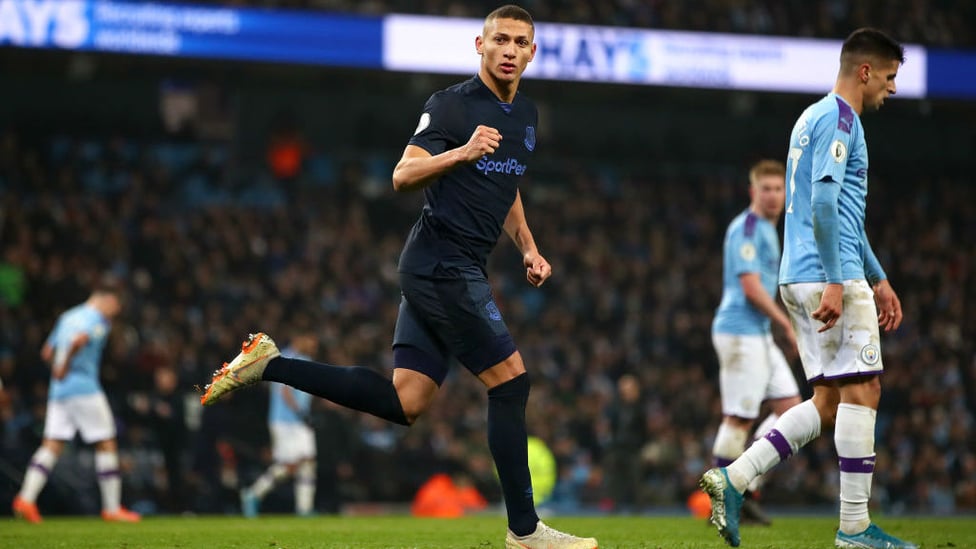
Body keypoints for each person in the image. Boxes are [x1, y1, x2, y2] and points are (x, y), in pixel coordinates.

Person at [200, 6, 597, 548]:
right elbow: (402, 174)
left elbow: (505, 187)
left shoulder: (526, 115)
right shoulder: (451, 106)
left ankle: (270, 365)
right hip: (442, 265)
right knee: (512, 382)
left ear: (533, 52)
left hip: (452, 267)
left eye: (519, 42)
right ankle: (525, 532)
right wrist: (460, 151)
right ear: (479, 45)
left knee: (404, 402)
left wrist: (529, 247)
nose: (508, 50)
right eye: (499, 40)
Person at [699, 28, 916, 549]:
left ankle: (734, 476)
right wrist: (842, 281)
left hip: (799, 274)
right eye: (888, 78)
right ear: (865, 71)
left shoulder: (810, 117)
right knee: (864, 390)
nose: (891, 89)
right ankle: (855, 528)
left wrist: (880, 276)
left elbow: (841, 213)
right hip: (826, 273)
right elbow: (823, 208)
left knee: (826, 400)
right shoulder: (844, 120)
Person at [709, 159, 802, 526]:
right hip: (739, 331)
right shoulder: (746, 228)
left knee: (793, 411)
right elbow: (750, 288)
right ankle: (724, 497)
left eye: (779, 189)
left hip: (759, 333)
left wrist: (780, 326)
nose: (773, 196)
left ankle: (743, 481)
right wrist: (787, 325)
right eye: (766, 188)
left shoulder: (768, 229)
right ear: (753, 192)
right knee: (739, 416)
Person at [12, 275, 140, 523]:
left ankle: (25, 499)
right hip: (84, 389)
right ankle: (112, 508)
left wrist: (58, 371)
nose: (116, 312)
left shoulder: (67, 316)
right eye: (116, 306)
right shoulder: (98, 321)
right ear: (107, 299)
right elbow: (77, 341)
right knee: (106, 443)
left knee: (52, 444)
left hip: (59, 391)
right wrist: (67, 363)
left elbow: (46, 351)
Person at [240, 333, 320, 518]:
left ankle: (304, 509)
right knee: (290, 464)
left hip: (297, 421)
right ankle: (253, 494)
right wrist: (301, 413)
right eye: (311, 341)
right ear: (298, 339)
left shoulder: (292, 357)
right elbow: (285, 391)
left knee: (307, 461)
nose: (314, 346)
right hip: (286, 421)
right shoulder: (289, 359)